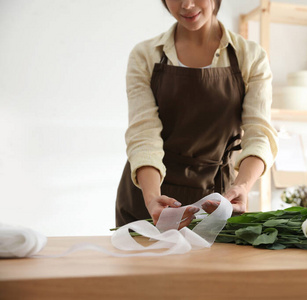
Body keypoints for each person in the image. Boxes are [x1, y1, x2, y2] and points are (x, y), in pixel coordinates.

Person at [115, 0, 278, 228]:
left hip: (217, 199)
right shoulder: (145, 55)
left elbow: (259, 134)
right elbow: (143, 134)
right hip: (148, 198)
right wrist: (152, 198)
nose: (187, 4)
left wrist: (242, 186)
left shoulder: (250, 57)